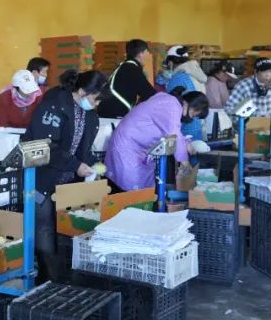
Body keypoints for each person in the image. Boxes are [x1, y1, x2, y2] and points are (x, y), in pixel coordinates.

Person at [23, 70, 107, 282]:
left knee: (66, 230)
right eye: (95, 99)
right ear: (82, 91)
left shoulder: (90, 115)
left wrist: (95, 166)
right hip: (41, 180)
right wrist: (76, 165)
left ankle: (63, 278)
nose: (96, 104)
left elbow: (83, 149)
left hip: (67, 184)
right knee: (44, 230)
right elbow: (46, 147)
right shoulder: (52, 107)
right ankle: (47, 281)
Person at [105, 90, 210, 191]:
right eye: (193, 114)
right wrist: (185, 162)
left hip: (139, 149)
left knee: (144, 190)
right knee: (131, 190)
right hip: (128, 146)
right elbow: (174, 134)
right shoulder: (171, 105)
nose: (192, 118)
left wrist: (186, 144)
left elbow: (174, 132)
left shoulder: (171, 104)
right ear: (186, 104)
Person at [98, 39, 158, 117]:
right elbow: (149, 93)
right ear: (140, 54)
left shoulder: (126, 66)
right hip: (113, 115)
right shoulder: (132, 68)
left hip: (109, 112)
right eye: (147, 51)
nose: (148, 54)